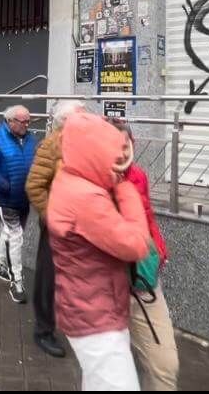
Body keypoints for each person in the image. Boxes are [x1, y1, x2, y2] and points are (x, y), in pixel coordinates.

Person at [48, 112, 151, 391]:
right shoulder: (86, 196)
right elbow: (136, 244)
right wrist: (126, 190)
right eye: (110, 149)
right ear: (93, 150)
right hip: (95, 315)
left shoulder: (73, 180)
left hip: (89, 308)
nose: (117, 158)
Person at [114, 122, 180, 391]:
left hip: (143, 282)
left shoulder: (138, 176)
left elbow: (147, 216)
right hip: (106, 290)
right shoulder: (86, 183)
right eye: (111, 146)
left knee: (164, 365)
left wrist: (157, 249)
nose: (119, 153)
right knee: (111, 373)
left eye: (125, 145)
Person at [25, 100, 87, 358]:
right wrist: (52, 216)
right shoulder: (51, 145)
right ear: (65, 121)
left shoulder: (86, 144)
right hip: (57, 224)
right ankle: (43, 330)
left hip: (83, 224)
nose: (86, 120)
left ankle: (77, 324)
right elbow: (35, 185)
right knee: (49, 278)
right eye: (80, 116)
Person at [0, 105, 39, 304]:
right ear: (10, 121)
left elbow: (38, 162)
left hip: (26, 197)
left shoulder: (31, 139)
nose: (27, 124)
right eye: (23, 121)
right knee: (15, 237)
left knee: (10, 232)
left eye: (28, 121)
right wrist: (6, 187)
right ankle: (17, 281)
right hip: (7, 198)